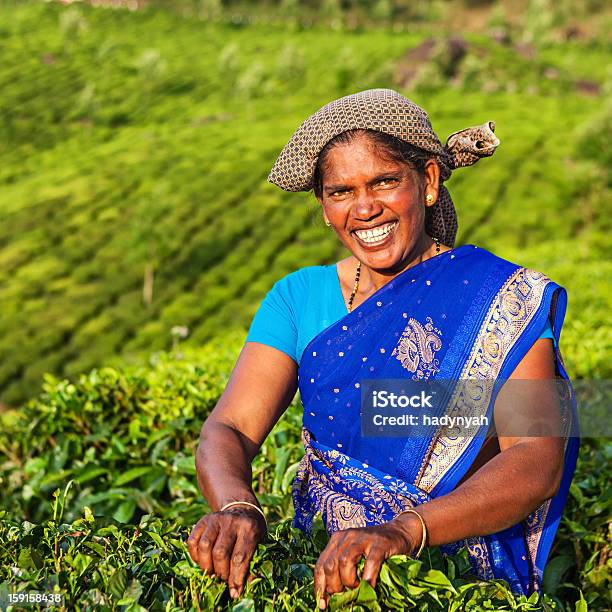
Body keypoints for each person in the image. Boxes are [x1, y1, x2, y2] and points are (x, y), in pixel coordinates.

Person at [187, 89, 578, 608]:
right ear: (324, 208)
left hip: (450, 574)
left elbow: (535, 459)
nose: (365, 208)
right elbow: (229, 427)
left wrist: (402, 532)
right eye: (341, 192)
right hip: (323, 569)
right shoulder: (298, 298)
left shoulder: (505, 301)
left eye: (385, 182)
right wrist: (237, 505)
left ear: (430, 182)